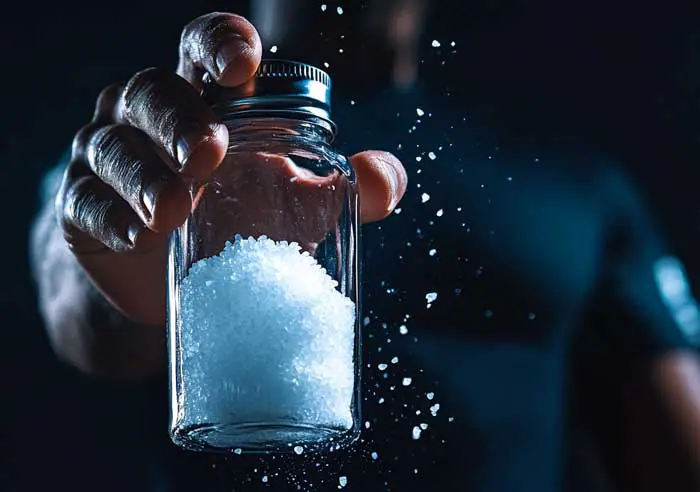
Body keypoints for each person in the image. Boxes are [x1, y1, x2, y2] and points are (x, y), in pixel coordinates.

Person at [29, 1, 700, 491]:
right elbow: (76, 292)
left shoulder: (569, 176)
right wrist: (133, 260)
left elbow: (671, 449)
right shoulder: (165, 141)